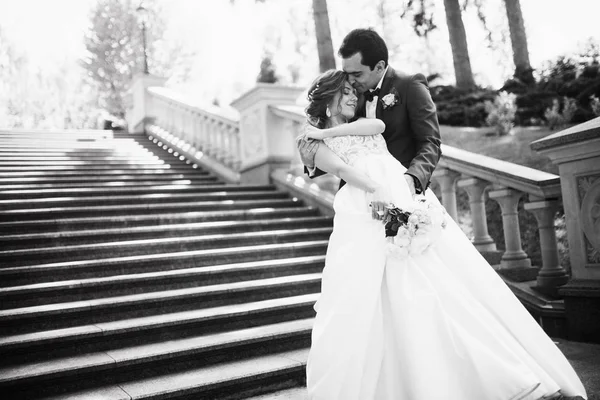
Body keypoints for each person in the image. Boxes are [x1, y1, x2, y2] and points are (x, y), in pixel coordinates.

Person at [296, 68, 588, 399]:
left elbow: (376, 126)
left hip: (401, 196)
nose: (353, 96)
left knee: (439, 281)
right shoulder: (314, 145)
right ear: (327, 98)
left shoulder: (362, 123)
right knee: (388, 292)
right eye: (345, 92)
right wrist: (383, 202)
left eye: (354, 90)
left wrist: (324, 134)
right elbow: (344, 171)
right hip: (369, 206)